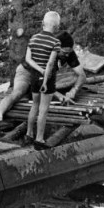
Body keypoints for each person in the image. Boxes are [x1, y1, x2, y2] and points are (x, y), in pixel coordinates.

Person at [0, 30, 86, 132]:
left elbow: (82, 75)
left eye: (68, 53)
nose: (66, 56)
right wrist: (59, 96)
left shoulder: (68, 53)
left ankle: (30, 93)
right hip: (26, 72)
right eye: (64, 53)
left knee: (71, 79)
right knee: (18, 93)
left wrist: (73, 91)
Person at [22, 11, 62, 150]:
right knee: (43, 110)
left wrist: (39, 70)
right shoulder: (55, 42)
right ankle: (39, 139)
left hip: (34, 77)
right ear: (57, 26)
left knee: (34, 105)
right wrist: (45, 77)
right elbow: (51, 64)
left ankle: (28, 134)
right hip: (47, 79)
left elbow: (28, 59)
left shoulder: (33, 38)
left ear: (43, 23)